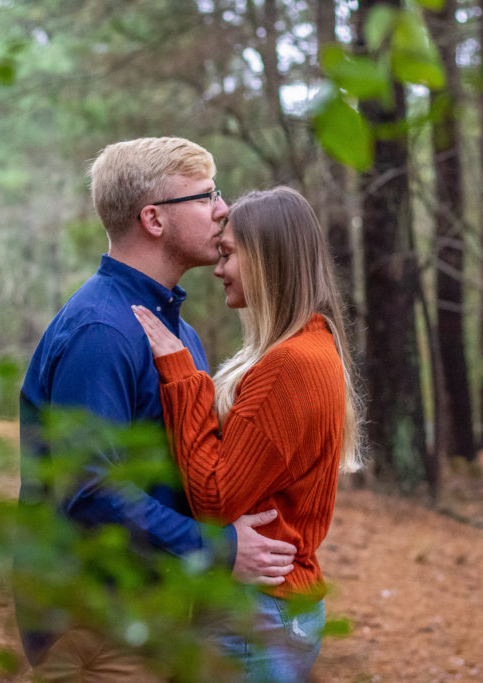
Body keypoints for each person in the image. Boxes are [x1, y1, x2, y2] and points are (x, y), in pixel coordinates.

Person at [18, 138, 298, 681]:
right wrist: (217, 548)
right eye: (205, 196)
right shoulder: (102, 331)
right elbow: (89, 491)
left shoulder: (177, 331)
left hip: (156, 620)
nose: (222, 209)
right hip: (96, 629)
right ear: (153, 219)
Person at [132, 186, 364, 681]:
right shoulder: (312, 344)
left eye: (229, 253)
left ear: (267, 259)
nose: (218, 269)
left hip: (260, 609)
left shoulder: (291, 364)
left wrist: (181, 376)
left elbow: (216, 496)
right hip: (278, 603)